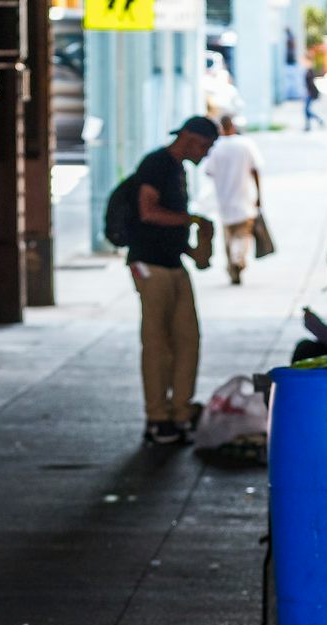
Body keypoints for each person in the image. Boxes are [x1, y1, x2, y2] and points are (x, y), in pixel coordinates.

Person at [127, 115, 217, 446]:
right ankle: (157, 417)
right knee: (157, 345)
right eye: (205, 147)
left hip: (174, 262)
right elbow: (147, 211)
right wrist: (191, 218)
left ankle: (180, 411)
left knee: (187, 339)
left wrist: (197, 247)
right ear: (191, 138)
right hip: (149, 265)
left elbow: (171, 223)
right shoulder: (156, 164)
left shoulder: (177, 170)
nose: (205, 155)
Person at [200, 116, 263, 286]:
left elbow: (208, 171)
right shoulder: (245, 145)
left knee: (229, 237)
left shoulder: (216, 148)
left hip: (224, 201)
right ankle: (237, 260)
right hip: (244, 199)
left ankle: (233, 263)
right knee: (243, 235)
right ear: (233, 127)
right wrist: (259, 196)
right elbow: (255, 170)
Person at [302, 62, 323, 130]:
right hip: (308, 94)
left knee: (306, 110)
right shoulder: (308, 71)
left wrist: (310, 92)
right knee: (306, 111)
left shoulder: (310, 72)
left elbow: (311, 84)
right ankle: (308, 125)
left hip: (310, 94)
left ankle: (318, 120)